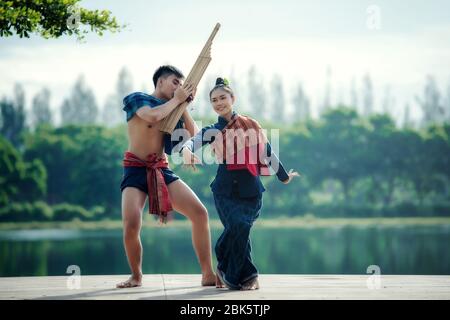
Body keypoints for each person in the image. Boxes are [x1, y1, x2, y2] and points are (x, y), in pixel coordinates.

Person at [180, 77, 299, 290]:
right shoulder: (212, 131)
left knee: (241, 230)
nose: (219, 103)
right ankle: (250, 277)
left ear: (232, 98)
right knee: (238, 226)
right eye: (214, 100)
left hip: (251, 188)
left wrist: (283, 176)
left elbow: (267, 152)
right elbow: (192, 141)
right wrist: (187, 151)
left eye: (223, 98)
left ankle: (225, 269)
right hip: (224, 189)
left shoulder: (250, 125)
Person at [116, 65, 216, 288]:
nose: (178, 87)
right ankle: (136, 276)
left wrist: (184, 104)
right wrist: (175, 101)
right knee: (131, 223)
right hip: (135, 169)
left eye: (181, 84)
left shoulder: (174, 107)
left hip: (161, 168)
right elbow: (152, 115)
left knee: (200, 213)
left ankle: (208, 273)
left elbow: (193, 136)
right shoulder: (137, 98)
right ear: (160, 82)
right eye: (175, 82)